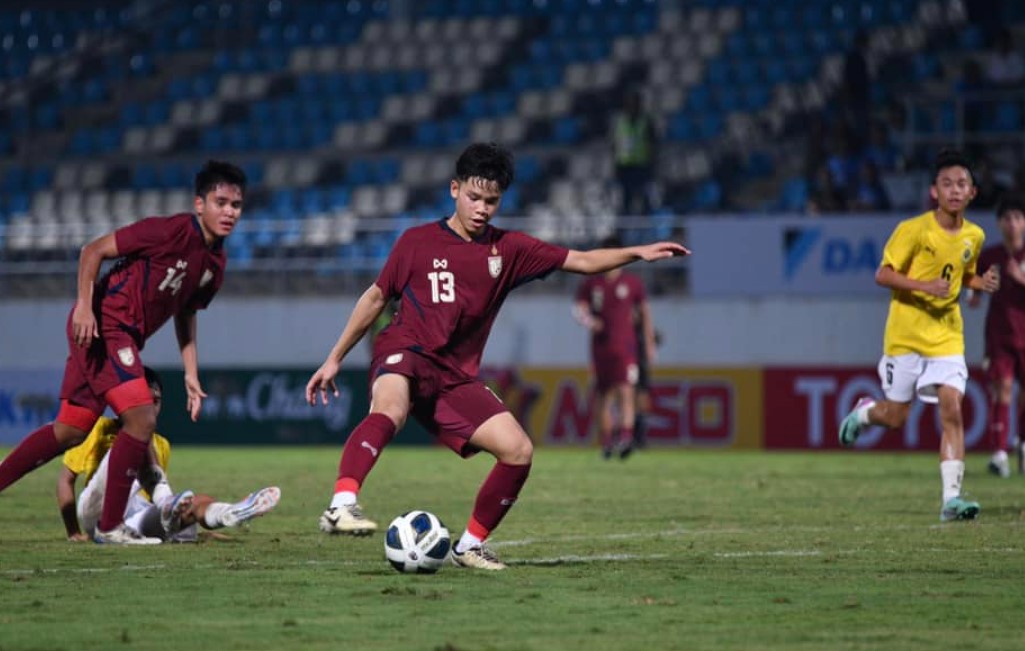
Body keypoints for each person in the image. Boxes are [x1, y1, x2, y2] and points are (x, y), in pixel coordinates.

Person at [305, 142, 688, 570]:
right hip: (406, 350)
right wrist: (334, 357)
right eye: (474, 197)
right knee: (390, 409)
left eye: (492, 200)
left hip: (455, 376)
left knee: (519, 450)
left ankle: (469, 545)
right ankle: (342, 503)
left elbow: (580, 259)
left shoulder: (509, 250)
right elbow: (376, 298)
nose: (482, 208)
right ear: (454, 189)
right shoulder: (416, 241)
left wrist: (637, 253)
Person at [0, 160, 246, 544]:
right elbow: (93, 250)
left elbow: (186, 313)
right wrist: (84, 305)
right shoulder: (169, 231)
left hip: (121, 335)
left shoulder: (216, 264)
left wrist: (190, 373)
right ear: (200, 204)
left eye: (236, 205)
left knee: (69, 430)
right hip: (104, 325)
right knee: (142, 417)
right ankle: (111, 526)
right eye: (221, 202)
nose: (229, 212)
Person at [838, 149, 1000, 522]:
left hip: (946, 337)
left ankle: (951, 500)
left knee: (952, 408)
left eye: (962, 184)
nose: (955, 191)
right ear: (934, 192)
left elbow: (963, 275)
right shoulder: (913, 230)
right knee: (895, 418)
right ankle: (865, 413)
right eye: (947, 184)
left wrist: (980, 282)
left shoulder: (975, 236)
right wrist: (924, 285)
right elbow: (883, 274)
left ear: (973, 193)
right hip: (906, 336)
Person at [58, 367, 280, 542]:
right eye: (144, 401)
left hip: (134, 518)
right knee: (132, 439)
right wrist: (73, 532)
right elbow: (65, 481)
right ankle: (168, 507)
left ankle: (228, 512)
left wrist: (176, 511)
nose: (151, 408)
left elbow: (152, 487)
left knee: (191, 507)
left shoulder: (161, 444)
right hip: (97, 510)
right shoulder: (98, 430)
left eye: (156, 401)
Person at [573, 235, 655, 459]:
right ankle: (607, 442)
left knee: (627, 391)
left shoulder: (632, 283)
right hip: (601, 348)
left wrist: (648, 341)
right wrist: (591, 321)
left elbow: (645, 313)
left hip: (626, 347)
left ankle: (626, 438)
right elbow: (578, 310)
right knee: (604, 396)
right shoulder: (592, 283)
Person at [968, 194, 1025, 477]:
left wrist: (1020, 278)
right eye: (1007, 219)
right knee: (1001, 390)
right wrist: (974, 293)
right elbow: (973, 283)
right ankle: (1000, 453)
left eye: (1017, 218)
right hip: (999, 337)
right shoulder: (990, 257)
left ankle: (1022, 445)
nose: (1012, 224)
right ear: (999, 223)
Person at [610, 90, 658, 216]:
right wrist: (615, 165)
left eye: (634, 103)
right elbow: (615, 145)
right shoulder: (620, 122)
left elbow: (653, 145)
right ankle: (625, 231)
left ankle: (646, 227)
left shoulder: (646, 122)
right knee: (625, 201)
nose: (631, 106)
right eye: (629, 103)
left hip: (642, 167)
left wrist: (651, 165)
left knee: (644, 200)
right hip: (624, 167)